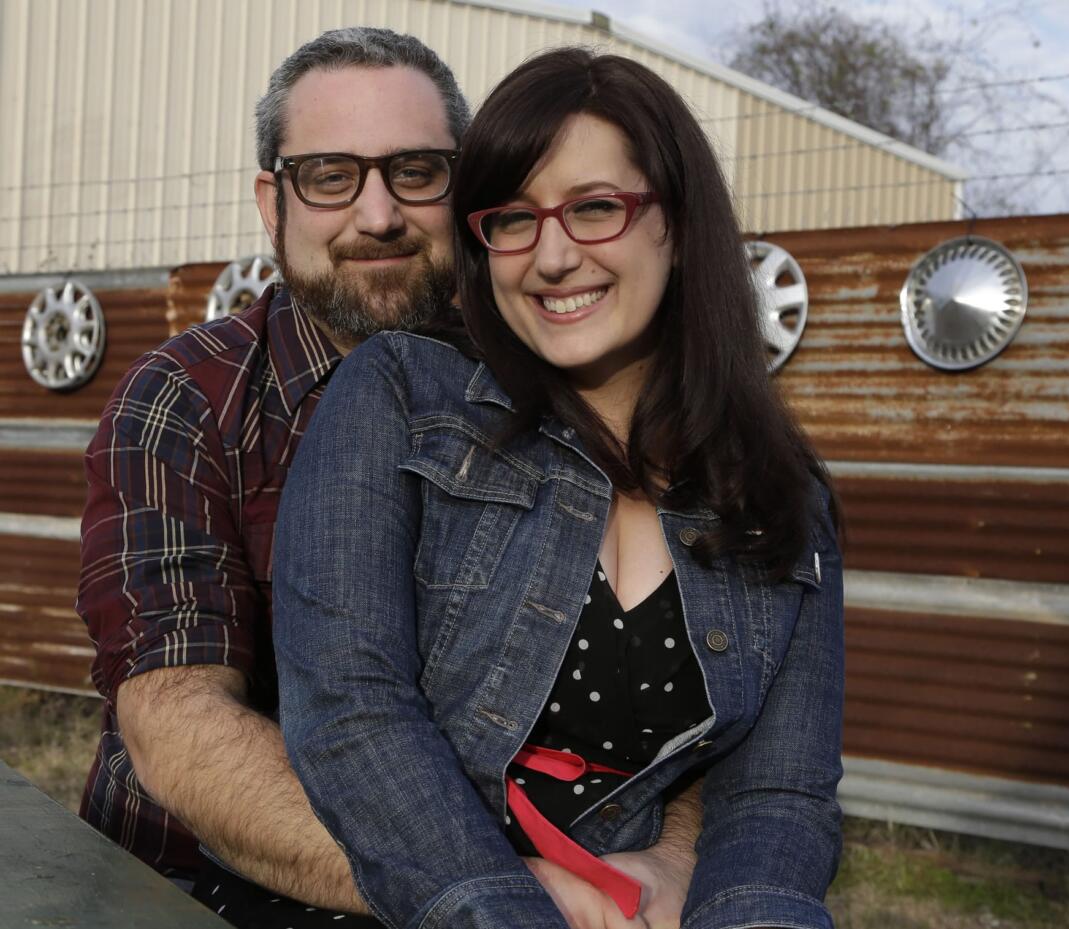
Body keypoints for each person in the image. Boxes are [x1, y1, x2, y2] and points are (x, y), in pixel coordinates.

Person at [76, 28, 698, 929]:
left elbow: (687, 688)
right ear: (272, 200)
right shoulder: (184, 400)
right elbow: (175, 714)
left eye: (417, 171)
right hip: (199, 890)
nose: (378, 216)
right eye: (331, 176)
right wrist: (475, 886)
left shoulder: (562, 383)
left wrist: (674, 855)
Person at [273, 48, 845, 929]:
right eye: (511, 219)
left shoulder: (784, 494)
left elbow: (780, 794)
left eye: (595, 208)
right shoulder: (401, 397)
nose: (550, 256)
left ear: (679, 222)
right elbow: (351, 712)